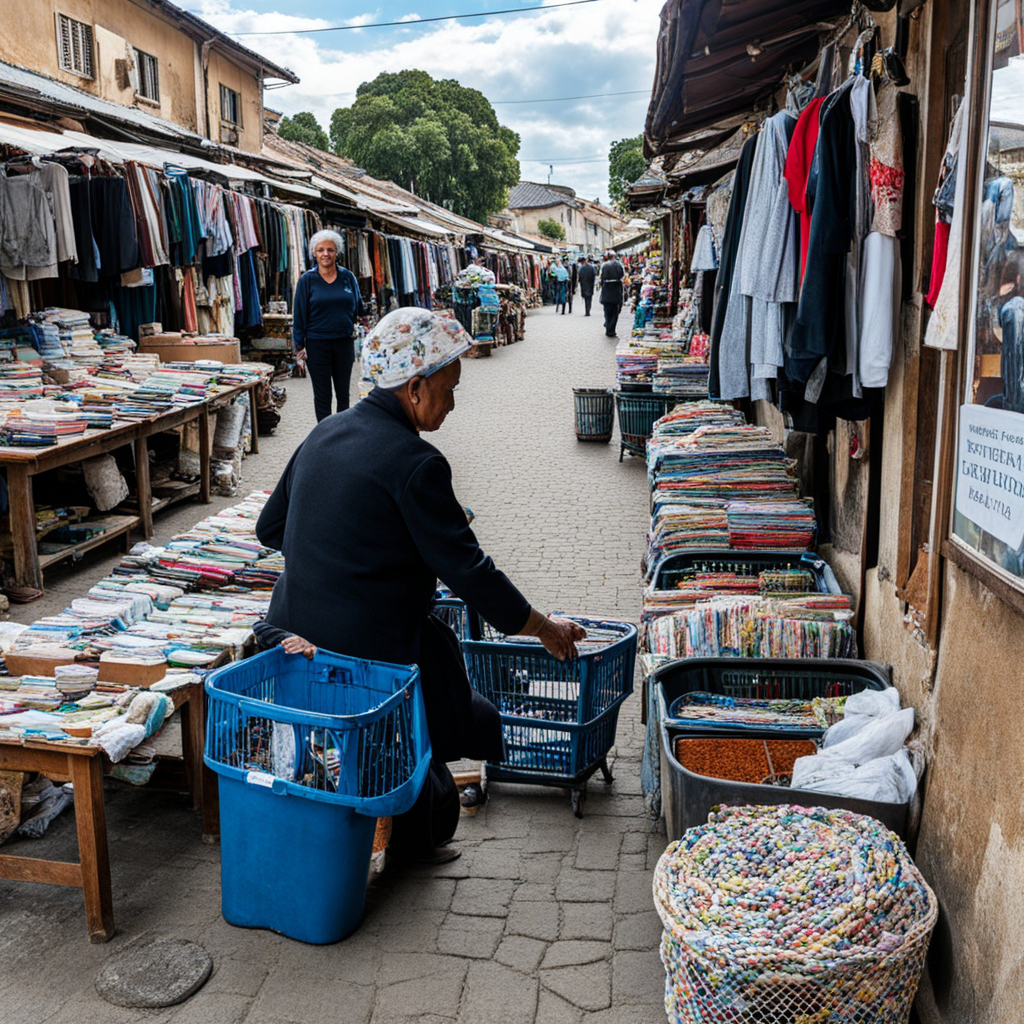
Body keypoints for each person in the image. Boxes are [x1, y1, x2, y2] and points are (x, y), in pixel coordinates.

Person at [256, 308, 586, 864]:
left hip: (289, 629)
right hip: (365, 649)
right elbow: (469, 571)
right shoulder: (416, 461)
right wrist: (541, 627)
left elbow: (270, 530)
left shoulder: (325, 431)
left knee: (438, 680)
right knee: (446, 696)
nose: (453, 404)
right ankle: (413, 842)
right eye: (448, 390)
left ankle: (412, 819)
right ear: (414, 388)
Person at [292, 229, 365, 422]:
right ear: (314, 253)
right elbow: (299, 314)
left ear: (336, 252)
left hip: (344, 343)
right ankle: (324, 437)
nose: (326, 254)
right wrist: (299, 345)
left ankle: (342, 434)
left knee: (343, 395)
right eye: (321, 250)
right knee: (323, 396)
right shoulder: (307, 280)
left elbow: (358, 306)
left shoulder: (347, 277)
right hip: (317, 345)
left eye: (330, 250)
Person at [599, 250, 625, 337]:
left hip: (606, 291)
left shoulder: (604, 266)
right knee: (615, 312)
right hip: (616, 291)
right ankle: (611, 329)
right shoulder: (618, 265)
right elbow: (622, 275)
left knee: (607, 311)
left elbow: (602, 278)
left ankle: (608, 327)